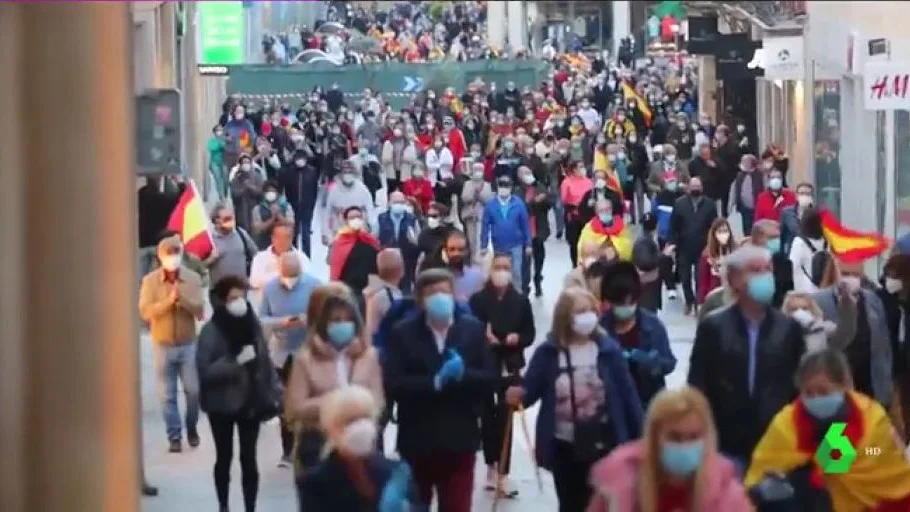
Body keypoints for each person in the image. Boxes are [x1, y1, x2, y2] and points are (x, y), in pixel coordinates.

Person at [505, 287, 642, 512]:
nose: (587, 316)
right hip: (564, 447)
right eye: (580, 311)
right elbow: (530, 392)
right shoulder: (549, 353)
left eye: (590, 310)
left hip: (604, 444)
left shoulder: (608, 351)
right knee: (570, 505)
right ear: (565, 317)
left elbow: (628, 396)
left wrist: (641, 440)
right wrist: (516, 396)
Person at [382, 269, 495, 512]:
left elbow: (489, 378)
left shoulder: (472, 330)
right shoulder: (403, 332)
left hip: (459, 439)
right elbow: (394, 383)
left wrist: (464, 375)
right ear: (420, 299)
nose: (440, 298)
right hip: (417, 440)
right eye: (432, 293)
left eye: (445, 292)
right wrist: (434, 382)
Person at [688, 244, 806, 472]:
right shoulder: (714, 327)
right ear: (733, 279)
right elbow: (698, 386)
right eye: (755, 270)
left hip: (775, 441)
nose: (764, 277)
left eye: (767, 270)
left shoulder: (788, 328)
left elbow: (798, 387)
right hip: (727, 443)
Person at [746, 349, 910, 510]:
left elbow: (876, 453)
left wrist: (863, 452)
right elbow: (759, 478)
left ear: (844, 385)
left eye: (824, 391)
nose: (816, 398)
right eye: (809, 393)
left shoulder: (871, 416)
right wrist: (767, 488)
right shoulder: (786, 422)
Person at [588, 387, 753, 511]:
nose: (685, 445)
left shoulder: (728, 495)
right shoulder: (617, 485)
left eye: (694, 437)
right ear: (654, 438)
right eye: (675, 437)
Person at [196, 275, 282, 512]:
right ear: (223, 300)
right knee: (224, 458)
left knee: (249, 459)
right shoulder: (211, 331)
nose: (239, 302)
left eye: (242, 297)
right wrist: (234, 362)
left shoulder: (252, 325)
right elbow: (205, 370)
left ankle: (250, 507)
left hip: (250, 401)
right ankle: (223, 504)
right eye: (233, 297)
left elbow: (265, 361)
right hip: (220, 404)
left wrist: (277, 393)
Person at [285, 289, 384, 477]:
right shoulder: (305, 359)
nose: (343, 325)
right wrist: (338, 403)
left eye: (348, 320)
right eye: (336, 320)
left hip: (361, 445)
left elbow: (378, 401)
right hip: (317, 443)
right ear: (324, 324)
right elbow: (295, 408)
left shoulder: (368, 356)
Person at [469, 254, 535, 496]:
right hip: (486, 366)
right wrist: (485, 337)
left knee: (505, 419)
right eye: (498, 267)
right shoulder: (478, 300)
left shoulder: (520, 301)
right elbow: (471, 328)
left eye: (506, 267)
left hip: (510, 365)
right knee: (487, 417)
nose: (502, 271)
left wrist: (518, 338)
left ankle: (504, 473)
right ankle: (490, 467)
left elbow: (530, 332)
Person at [297, 385, 420, 511]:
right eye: (351, 421)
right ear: (331, 428)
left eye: (366, 418)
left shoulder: (396, 473)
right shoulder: (314, 483)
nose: (361, 427)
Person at [138, 235, 205, 453]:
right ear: (160, 257)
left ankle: (192, 427)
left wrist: (182, 300)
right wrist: (168, 302)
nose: (173, 259)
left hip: (187, 344)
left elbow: (199, 310)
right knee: (167, 395)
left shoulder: (192, 278)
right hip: (163, 344)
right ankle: (174, 436)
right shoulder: (150, 282)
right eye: (169, 254)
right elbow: (145, 311)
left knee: (193, 391)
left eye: (176, 254)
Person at [258, 253, 321, 467]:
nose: (290, 280)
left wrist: (309, 320)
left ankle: (309, 448)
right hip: (281, 355)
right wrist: (281, 322)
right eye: (286, 275)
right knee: (285, 404)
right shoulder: (270, 288)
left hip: (308, 353)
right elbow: (262, 318)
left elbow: (325, 316)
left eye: (294, 276)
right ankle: (288, 451)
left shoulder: (315, 286)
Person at [813, 255, 893, 407]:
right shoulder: (819, 301)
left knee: (866, 428)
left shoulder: (873, 301)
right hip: (837, 383)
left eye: (855, 275)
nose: (850, 279)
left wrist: (886, 385)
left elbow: (884, 347)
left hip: (869, 385)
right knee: (838, 428)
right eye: (845, 274)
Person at [599, 262, 676, 407]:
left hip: (648, 403)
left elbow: (669, 363)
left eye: (630, 302)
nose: (626, 308)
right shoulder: (599, 329)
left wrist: (649, 362)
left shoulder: (653, 326)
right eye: (620, 303)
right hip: (611, 406)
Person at [668, 177, 718, 315]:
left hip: (702, 248)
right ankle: (689, 301)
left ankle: (698, 302)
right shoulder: (679, 204)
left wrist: (712, 245)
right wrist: (671, 243)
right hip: (683, 247)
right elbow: (673, 226)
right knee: (685, 277)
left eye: (698, 185)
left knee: (699, 277)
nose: (695, 188)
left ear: (702, 187)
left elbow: (714, 226)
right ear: (688, 188)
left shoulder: (709, 204)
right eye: (693, 185)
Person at [479, 176, 531, 289]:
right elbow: (485, 226)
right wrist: (483, 245)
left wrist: (528, 244)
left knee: (516, 273)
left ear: (511, 188)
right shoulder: (490, 205)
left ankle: (518, 298)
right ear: (497, 187)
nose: (503, 188)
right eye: (501, 186)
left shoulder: (518, 204)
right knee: (500, 272)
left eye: (506, 186)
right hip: (499, 245)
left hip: (516, 244)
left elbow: (525, 225)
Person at [329, 206, 380, 310]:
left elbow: (377, 267)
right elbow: (335, 269)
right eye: (352, 218)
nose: (355, 220)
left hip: (369, 292)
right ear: (346, 221)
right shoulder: (339, 243)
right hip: (348, 292)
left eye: (358, 217)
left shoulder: (371, 241)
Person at [206, 203, 257, 304]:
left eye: (232, 217)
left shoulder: (241, 234)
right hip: (219, 293)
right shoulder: (209, 239)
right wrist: (210, 259)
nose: (231, 221)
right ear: (217, 221)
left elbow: (256, 255)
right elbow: (198, 266)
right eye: (227, 218)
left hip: (240, 290)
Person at [249, 220, 311, 300]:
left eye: (286, 237)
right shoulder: (260, 258)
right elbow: (254, 281)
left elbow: (306, 280)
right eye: (279, 237)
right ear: (272, 238)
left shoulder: (301, 258)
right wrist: (283, 275)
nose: (282, 241)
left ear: (292, 238)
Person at [516, 165, 552, 297]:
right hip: (525, 229)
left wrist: (543, 200)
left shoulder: (539, 187)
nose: (528, 175)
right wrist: (532, 202)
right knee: (525, 260)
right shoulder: (517, 191)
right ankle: (525, 285)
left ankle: (538, 278)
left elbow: (549, 202)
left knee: (539, 256)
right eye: (525, 173)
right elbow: (519, 208)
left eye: (529, 172)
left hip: (539, 227)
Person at [375, 191, 419, 293]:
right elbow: (374, 239)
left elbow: (418, 242)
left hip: (406, 262)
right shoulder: (381, 218)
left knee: (406, 293)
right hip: (387, 262)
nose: (398, 205)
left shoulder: (412, 219)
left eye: (401, 202)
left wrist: (413, 240)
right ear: (389, 203)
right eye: (395, 202)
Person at [323, 164, 375, 246]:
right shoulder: (334, 191)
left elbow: (370, 209)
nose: (347, 175)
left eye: (350, 172)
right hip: (339, 231)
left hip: (359, 231)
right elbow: (327, 212)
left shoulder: (362, 189)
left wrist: (371, 228)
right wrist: (326, 232)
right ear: (341, 174)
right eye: (345, 172)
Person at [748, 219, 793, 308]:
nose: (777, 241)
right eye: (772, 238)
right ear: (757, 239)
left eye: (778, 237)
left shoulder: (785, 263)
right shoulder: (745, 265)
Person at [561, 161, 594, 267]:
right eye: (580, 167)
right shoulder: (567, 182)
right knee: (574, 242)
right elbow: (564, 199)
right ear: (574, 169)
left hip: (587, 215)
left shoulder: (589, 182)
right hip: (573, 215)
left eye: (583, 166)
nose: (582, 169)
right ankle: (575, 264)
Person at [696, 218, 735, 305]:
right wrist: (701, 303)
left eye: (725, 231)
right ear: (714, 234)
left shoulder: (735, 252)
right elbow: (703, 283)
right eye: (720, 232)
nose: (723, 235)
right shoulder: (707, 256)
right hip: (715, 299)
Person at [460, 162, 494, 260]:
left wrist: (480, 196)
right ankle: (472, 260)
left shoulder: (487, 185)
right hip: (470, 214)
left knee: (480, 238)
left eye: (480, 170)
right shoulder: (467, 184)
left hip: (482, 215)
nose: (478, 172)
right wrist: (473, 194)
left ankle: (480, 260)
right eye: (476, 170)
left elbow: (489, 200)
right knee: (471, 240)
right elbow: (464, 197)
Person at [788, 207, 827, 293]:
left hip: (805, 290)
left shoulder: (799, 242)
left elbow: (793, 266)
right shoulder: (827, 242)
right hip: (826, 289)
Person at [250, 180, 296, 250]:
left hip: (283, 246)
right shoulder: (257, 209)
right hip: (264, 247)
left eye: (273, 191)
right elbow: (257, 229)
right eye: (268, 192)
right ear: (264, 193)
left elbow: (291, 224)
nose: (271, 194)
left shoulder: (286, 207)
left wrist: (279, 216)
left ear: (277, 193)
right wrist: (272, 219)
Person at [631, 213, 663, 312]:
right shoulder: (644, 241)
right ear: (657, 225)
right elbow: (645, 263)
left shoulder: (647, 239)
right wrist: (663, 256)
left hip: (649, 285)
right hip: (646, 286)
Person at [727, 154, 763, 236]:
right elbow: (734, 190)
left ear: (751, 164)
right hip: (744, 208)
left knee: (757, 228)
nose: (742, 164)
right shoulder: (740, 176)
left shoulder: (760, 175)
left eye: (744, 162)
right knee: (746, 229)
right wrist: (731, 205)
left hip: (757, 207)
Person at [230, 154, 266, 233]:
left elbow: (261, 192)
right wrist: (243, 189)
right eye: (244, 162)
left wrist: (250, 187)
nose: (246, 164)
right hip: (241, 210)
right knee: (243, 231)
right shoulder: (236, 178)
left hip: (255, 208)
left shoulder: (257, 176)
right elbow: (234, 194)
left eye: (248, 162)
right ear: (241, 165)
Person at [780, 181, 816, 255]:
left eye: (807, 194)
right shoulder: (787, 212)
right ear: (796, 195)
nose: (804, 196)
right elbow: (782, 236)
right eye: (801, 193)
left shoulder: (817, 214)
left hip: (810, 253)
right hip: (792, 253)